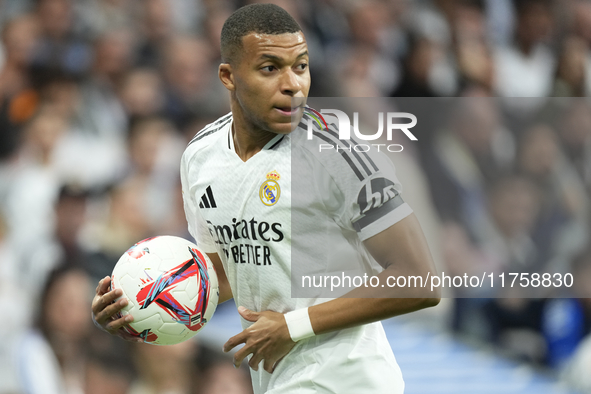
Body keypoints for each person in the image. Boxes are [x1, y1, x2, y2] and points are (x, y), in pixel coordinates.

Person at [92, 4, 440, 393]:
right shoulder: (200, 157)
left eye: (301, 66)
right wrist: (137, 308)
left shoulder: (337, 153)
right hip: (278, 379)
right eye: (271, 68)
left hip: (345, 378)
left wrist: (293, 326)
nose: (292, 84)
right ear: (229, 76)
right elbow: (228, 272)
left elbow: (420, 280)